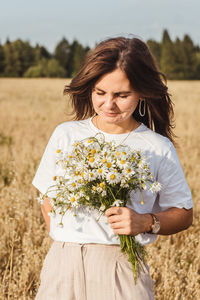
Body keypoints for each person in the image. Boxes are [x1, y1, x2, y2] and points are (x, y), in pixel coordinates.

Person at [32, 36, 193, 300]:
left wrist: (145, 222)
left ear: (142, 92)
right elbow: (46, 196)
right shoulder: (66, 135)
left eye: (122, 95)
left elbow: (184, 214)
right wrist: (64, 239)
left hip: (121, 269)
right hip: (61, 266)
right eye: (100, 93)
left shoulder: (157, 147)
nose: (109, 104)